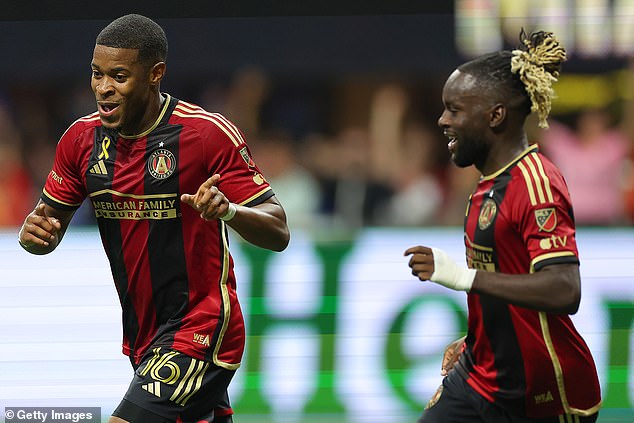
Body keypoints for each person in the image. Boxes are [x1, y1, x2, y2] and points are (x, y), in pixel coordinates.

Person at [18, 14, 289, 423]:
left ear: (155, 74)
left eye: (119, 76)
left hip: (202, 325)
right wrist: (33, 236)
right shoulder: (79, 141)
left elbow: (278, 229)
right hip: (142, 334)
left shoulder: (205, 135)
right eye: (97, 75)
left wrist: (230, 211)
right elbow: (47, 225)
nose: (104, 89)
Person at [404, 30, 602, 422]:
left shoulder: (535, 184)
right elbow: (508, 278)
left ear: (495, 115)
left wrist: (464, 277)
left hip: (545, 395)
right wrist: (480, 335)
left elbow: (565, 289)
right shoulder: (487, 184)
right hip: (480, 376)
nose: (443, 120)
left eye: (455, 109)